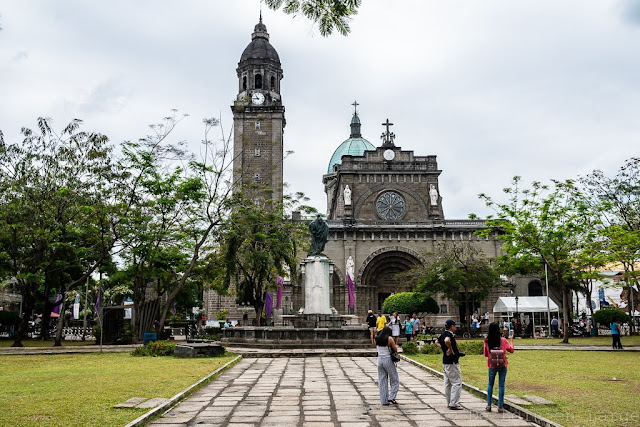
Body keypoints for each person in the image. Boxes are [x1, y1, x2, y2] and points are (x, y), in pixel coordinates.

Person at [483, 322, 515, 413]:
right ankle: (500, 407)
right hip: (502, 365)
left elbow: (485, 354)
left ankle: (489, 405)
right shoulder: (503, 340)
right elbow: (511, 350)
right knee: (501, 385)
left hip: (491, 365)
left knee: (490, 384)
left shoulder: (487, 341)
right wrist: (512, 340)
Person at [436, 319, 465, 410]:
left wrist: (444, 349)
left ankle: (449, 402)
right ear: (451, 326)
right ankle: (454, 403)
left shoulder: (443, 333)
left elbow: (436, 342)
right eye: (454, 325)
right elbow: (447, 340)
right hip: (452, 361)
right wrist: (450, 349)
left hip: (445, 361)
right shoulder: (449, 335)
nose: (455, 327)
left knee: (448, 383)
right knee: (456, 382)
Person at [376, 326, 399, 405]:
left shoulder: (377, 338)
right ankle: (391, 397)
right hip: (387, 359)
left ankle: (384, 400)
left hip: (379, 360)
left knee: (382, 380)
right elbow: (395, 349)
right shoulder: (389, 339)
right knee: (394, 379)